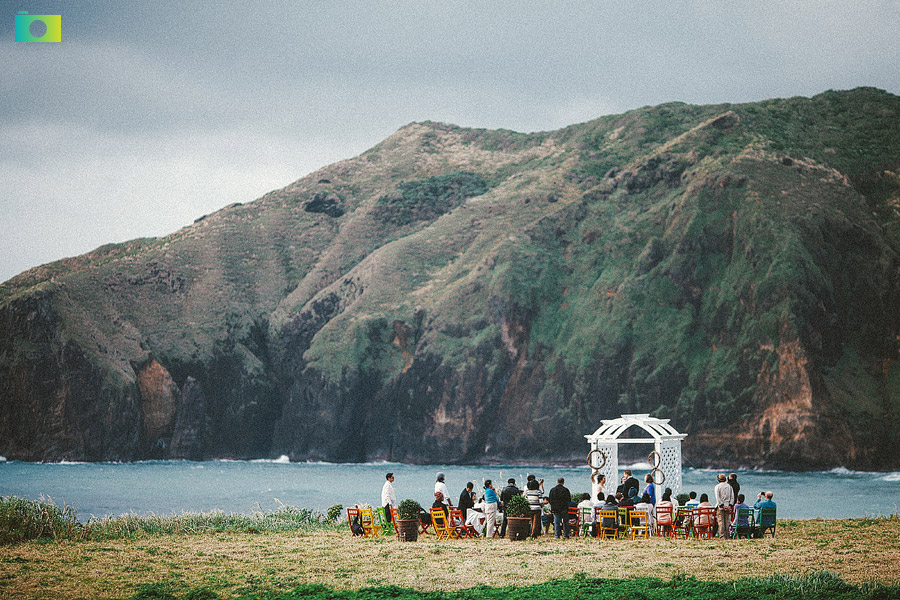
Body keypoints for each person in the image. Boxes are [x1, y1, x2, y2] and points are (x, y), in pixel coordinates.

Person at [714, 473, 735, 538]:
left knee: (721, 522)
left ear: (718, 479)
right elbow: (732, 497)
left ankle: (722, 536)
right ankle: (727, 535)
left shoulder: (717, 487)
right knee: (727, 521)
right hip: (728, 505)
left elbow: (718, 497)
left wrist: (722, 505)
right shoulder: (729, 486)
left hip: (721, 506)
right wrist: (730, 505)